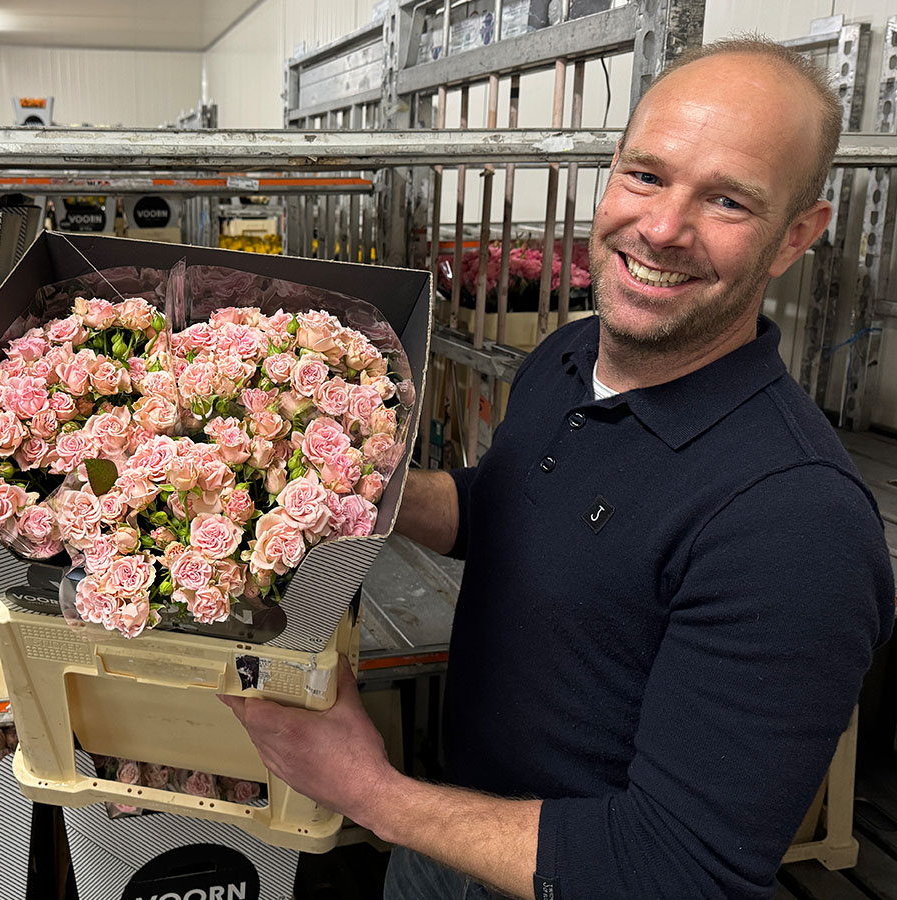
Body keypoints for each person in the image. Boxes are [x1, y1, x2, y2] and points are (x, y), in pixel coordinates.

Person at [220, 37, 896, 900]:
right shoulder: (571, 355)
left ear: (797, 235)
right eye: (647, 176)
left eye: (727, 200)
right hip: (448, 836)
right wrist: (360, 488)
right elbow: (505, 509)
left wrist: (369, 793)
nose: (660, 229)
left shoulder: (796, 524)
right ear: (610, 172)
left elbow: (680, 873)